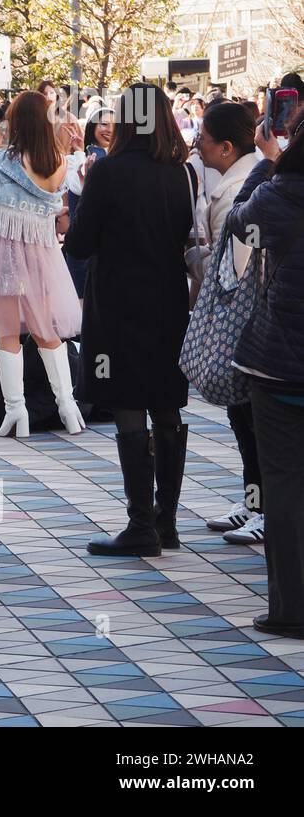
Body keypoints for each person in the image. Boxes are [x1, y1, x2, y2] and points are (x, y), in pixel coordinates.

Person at [64, 83, 194, 557]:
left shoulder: (108, 171)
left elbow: (80, 244)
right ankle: (167, 522)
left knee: (126, 404)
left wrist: (69, 221)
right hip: (167, 301)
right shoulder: (181, 173)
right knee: (166, 403)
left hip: (118, 301)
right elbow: (182, 233)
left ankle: (141, 525)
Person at [0, 91, 85, 438]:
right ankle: (68, 406)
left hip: (3, 250)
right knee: (46, 332)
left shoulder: (5, 159)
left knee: (8, 335)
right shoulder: (60, 160)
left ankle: (16, 413)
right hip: (42, 253)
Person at [226, 113, 304, 638]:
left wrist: (265, 161)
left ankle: (291, 609)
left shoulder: (282, 193)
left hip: (280, 369)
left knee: (283, 483)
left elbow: (237, 221)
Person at [189, 103, 263, 542]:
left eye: (205, 136)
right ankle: (254, 501)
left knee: (252, 417)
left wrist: (192, 261)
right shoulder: (238, 178)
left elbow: (232, 272)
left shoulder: (241, 190)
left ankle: (264, 507)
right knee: (242, 416)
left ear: (227, 147)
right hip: (250, 324)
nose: (198, 141)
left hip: (246, 323)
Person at [63, 99, 115, 297]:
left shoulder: (121, 159)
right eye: (104, 124)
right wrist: (78, 152)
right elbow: (78, 187)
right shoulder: (77, 158)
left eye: (114, 125)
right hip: (84, 242)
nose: (109, 130)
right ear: (93, 125)